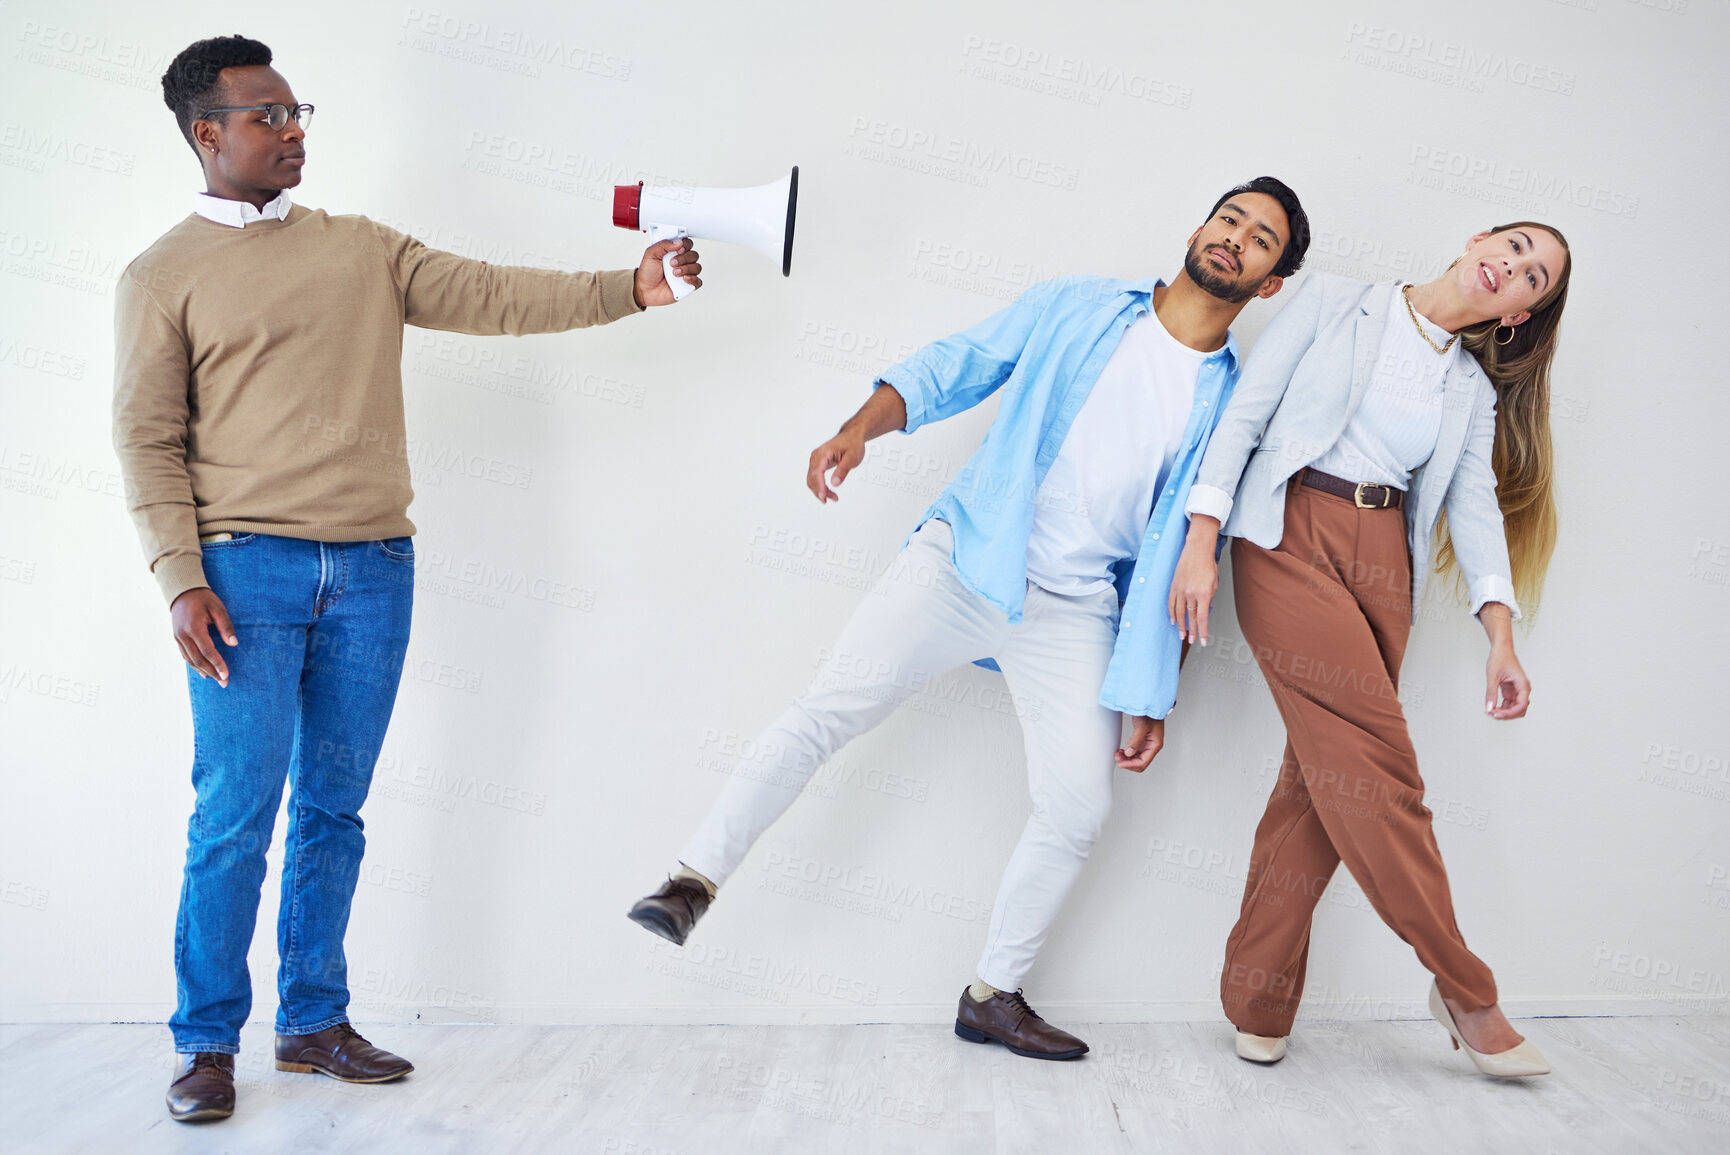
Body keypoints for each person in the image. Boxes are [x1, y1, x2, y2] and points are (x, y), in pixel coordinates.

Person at [113, 34, 700, 1124]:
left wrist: (631, 286)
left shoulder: (360, 248)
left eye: (298, 113)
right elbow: (147, 440)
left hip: (376, 569)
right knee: (235, 815)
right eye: (267, 117)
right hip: (243, 574)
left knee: (334, 811)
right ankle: (205, 1045)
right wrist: (178, 575)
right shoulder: (161, 275)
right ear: (207, 133)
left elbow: (489, 294)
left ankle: (312, 1023)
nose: (292, 133)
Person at [629, 178, 1312, 1061]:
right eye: (1230, 219)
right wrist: (859, 429)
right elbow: (958, 363)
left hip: (1073, 611)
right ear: (1198, 227)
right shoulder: (1078, 306)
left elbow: (1180, 559)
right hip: (966, 558)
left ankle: (993, 993)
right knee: (828, 709)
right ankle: (692, 880)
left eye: (1261, 240)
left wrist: (1152, 686)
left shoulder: (1232, 400)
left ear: (1269, 285)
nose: (1236, 239)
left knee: (1079, 804)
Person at [1167, 222, 1570, 1077]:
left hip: (1384, 562)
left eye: (1533, 278)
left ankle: (1259, 998)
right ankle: (1466, 989)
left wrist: (1501, 635)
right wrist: (1201, 540)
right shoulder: (1335, 301)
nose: (1515, 266)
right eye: (1519, 246)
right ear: (1478, 240)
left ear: (1517, 315)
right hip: (1287, 536)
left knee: (1319, 785)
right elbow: (1246, 416)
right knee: (1383, 774)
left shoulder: (1471, 390)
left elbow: (1474, 508)